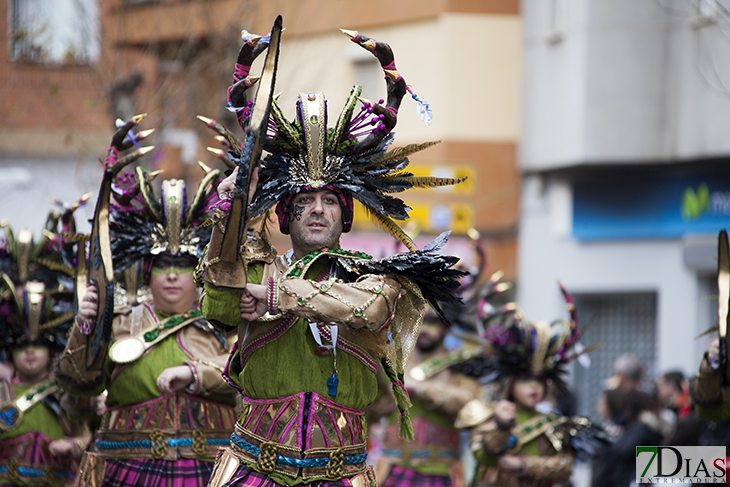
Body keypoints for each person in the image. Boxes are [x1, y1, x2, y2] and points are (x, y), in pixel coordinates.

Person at [197, 24, 466, 487]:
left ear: (346, 217)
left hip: (339, 475)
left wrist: (276, 296)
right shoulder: (258, 267)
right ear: (285, 216)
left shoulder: (377, 276)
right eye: (303, 201)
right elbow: (218, 306)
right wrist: (229, 216)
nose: (317, 210)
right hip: (255, 473)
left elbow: (367, 308)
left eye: (329, 202)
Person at [55, 125, 238, 487]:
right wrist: (87, 325)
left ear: (199, 274)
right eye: (163, 267)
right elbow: (76, 391)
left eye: (183, 267)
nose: (172, 276)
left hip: (208, 471)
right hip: (125, 468)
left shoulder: (225, 325)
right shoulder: (118, 321)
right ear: (148, 274)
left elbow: (248, 373)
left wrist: (197, 373)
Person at [454, 282, 604, 487]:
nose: (534, 387)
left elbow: (565, 466)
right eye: (526, 381)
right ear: (510, 383)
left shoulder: (554, 420)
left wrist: (522, 464)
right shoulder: (488, 413)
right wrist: (501, 426)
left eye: (539, 381)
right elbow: (484, 457)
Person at [0, 220, 91, 486]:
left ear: (52, 350)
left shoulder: (66, 393)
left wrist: (73, 446)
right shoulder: (2, 389)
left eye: (38, 345)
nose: (30, 352)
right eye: (22, 346)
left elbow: (87, 433)